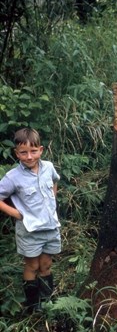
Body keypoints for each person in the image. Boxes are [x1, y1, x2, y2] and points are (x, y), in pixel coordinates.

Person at [0, 127, 61, 313]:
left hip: (50, 227)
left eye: (33, 151)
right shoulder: (13, 177)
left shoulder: (48, 167)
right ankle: (33, 306)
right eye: (23, 152)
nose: (29, 157)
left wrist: (52, 200)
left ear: (41, 150)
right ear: (16, 153)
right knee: (32, 265)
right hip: (29, 231)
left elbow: (55, 181)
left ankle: (47, 302)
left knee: (46, 265)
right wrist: (17, 214)